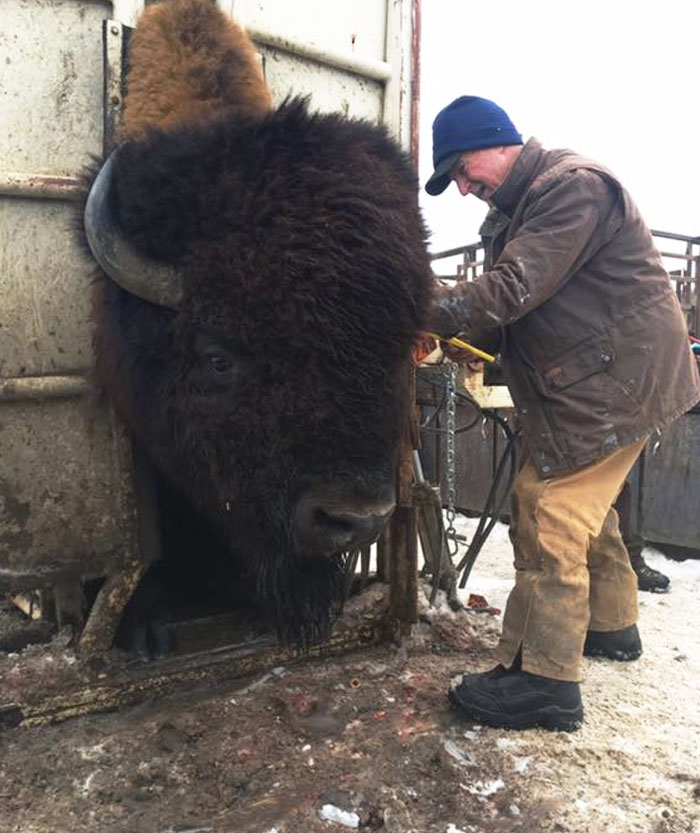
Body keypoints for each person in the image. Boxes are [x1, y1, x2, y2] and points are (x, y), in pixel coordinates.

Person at [425, 95, 700, 731]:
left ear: (497, 142)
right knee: (584, 512)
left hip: (620, 381)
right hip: (600, 377)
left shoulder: (570, 189)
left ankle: (544, 681)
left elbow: (514, 288)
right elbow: (515, 310)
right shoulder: (516, 210)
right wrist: (461, 336)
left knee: (548, 508)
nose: (463, 188)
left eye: (463, 170)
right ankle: (610, 624)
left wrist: (412, 306)